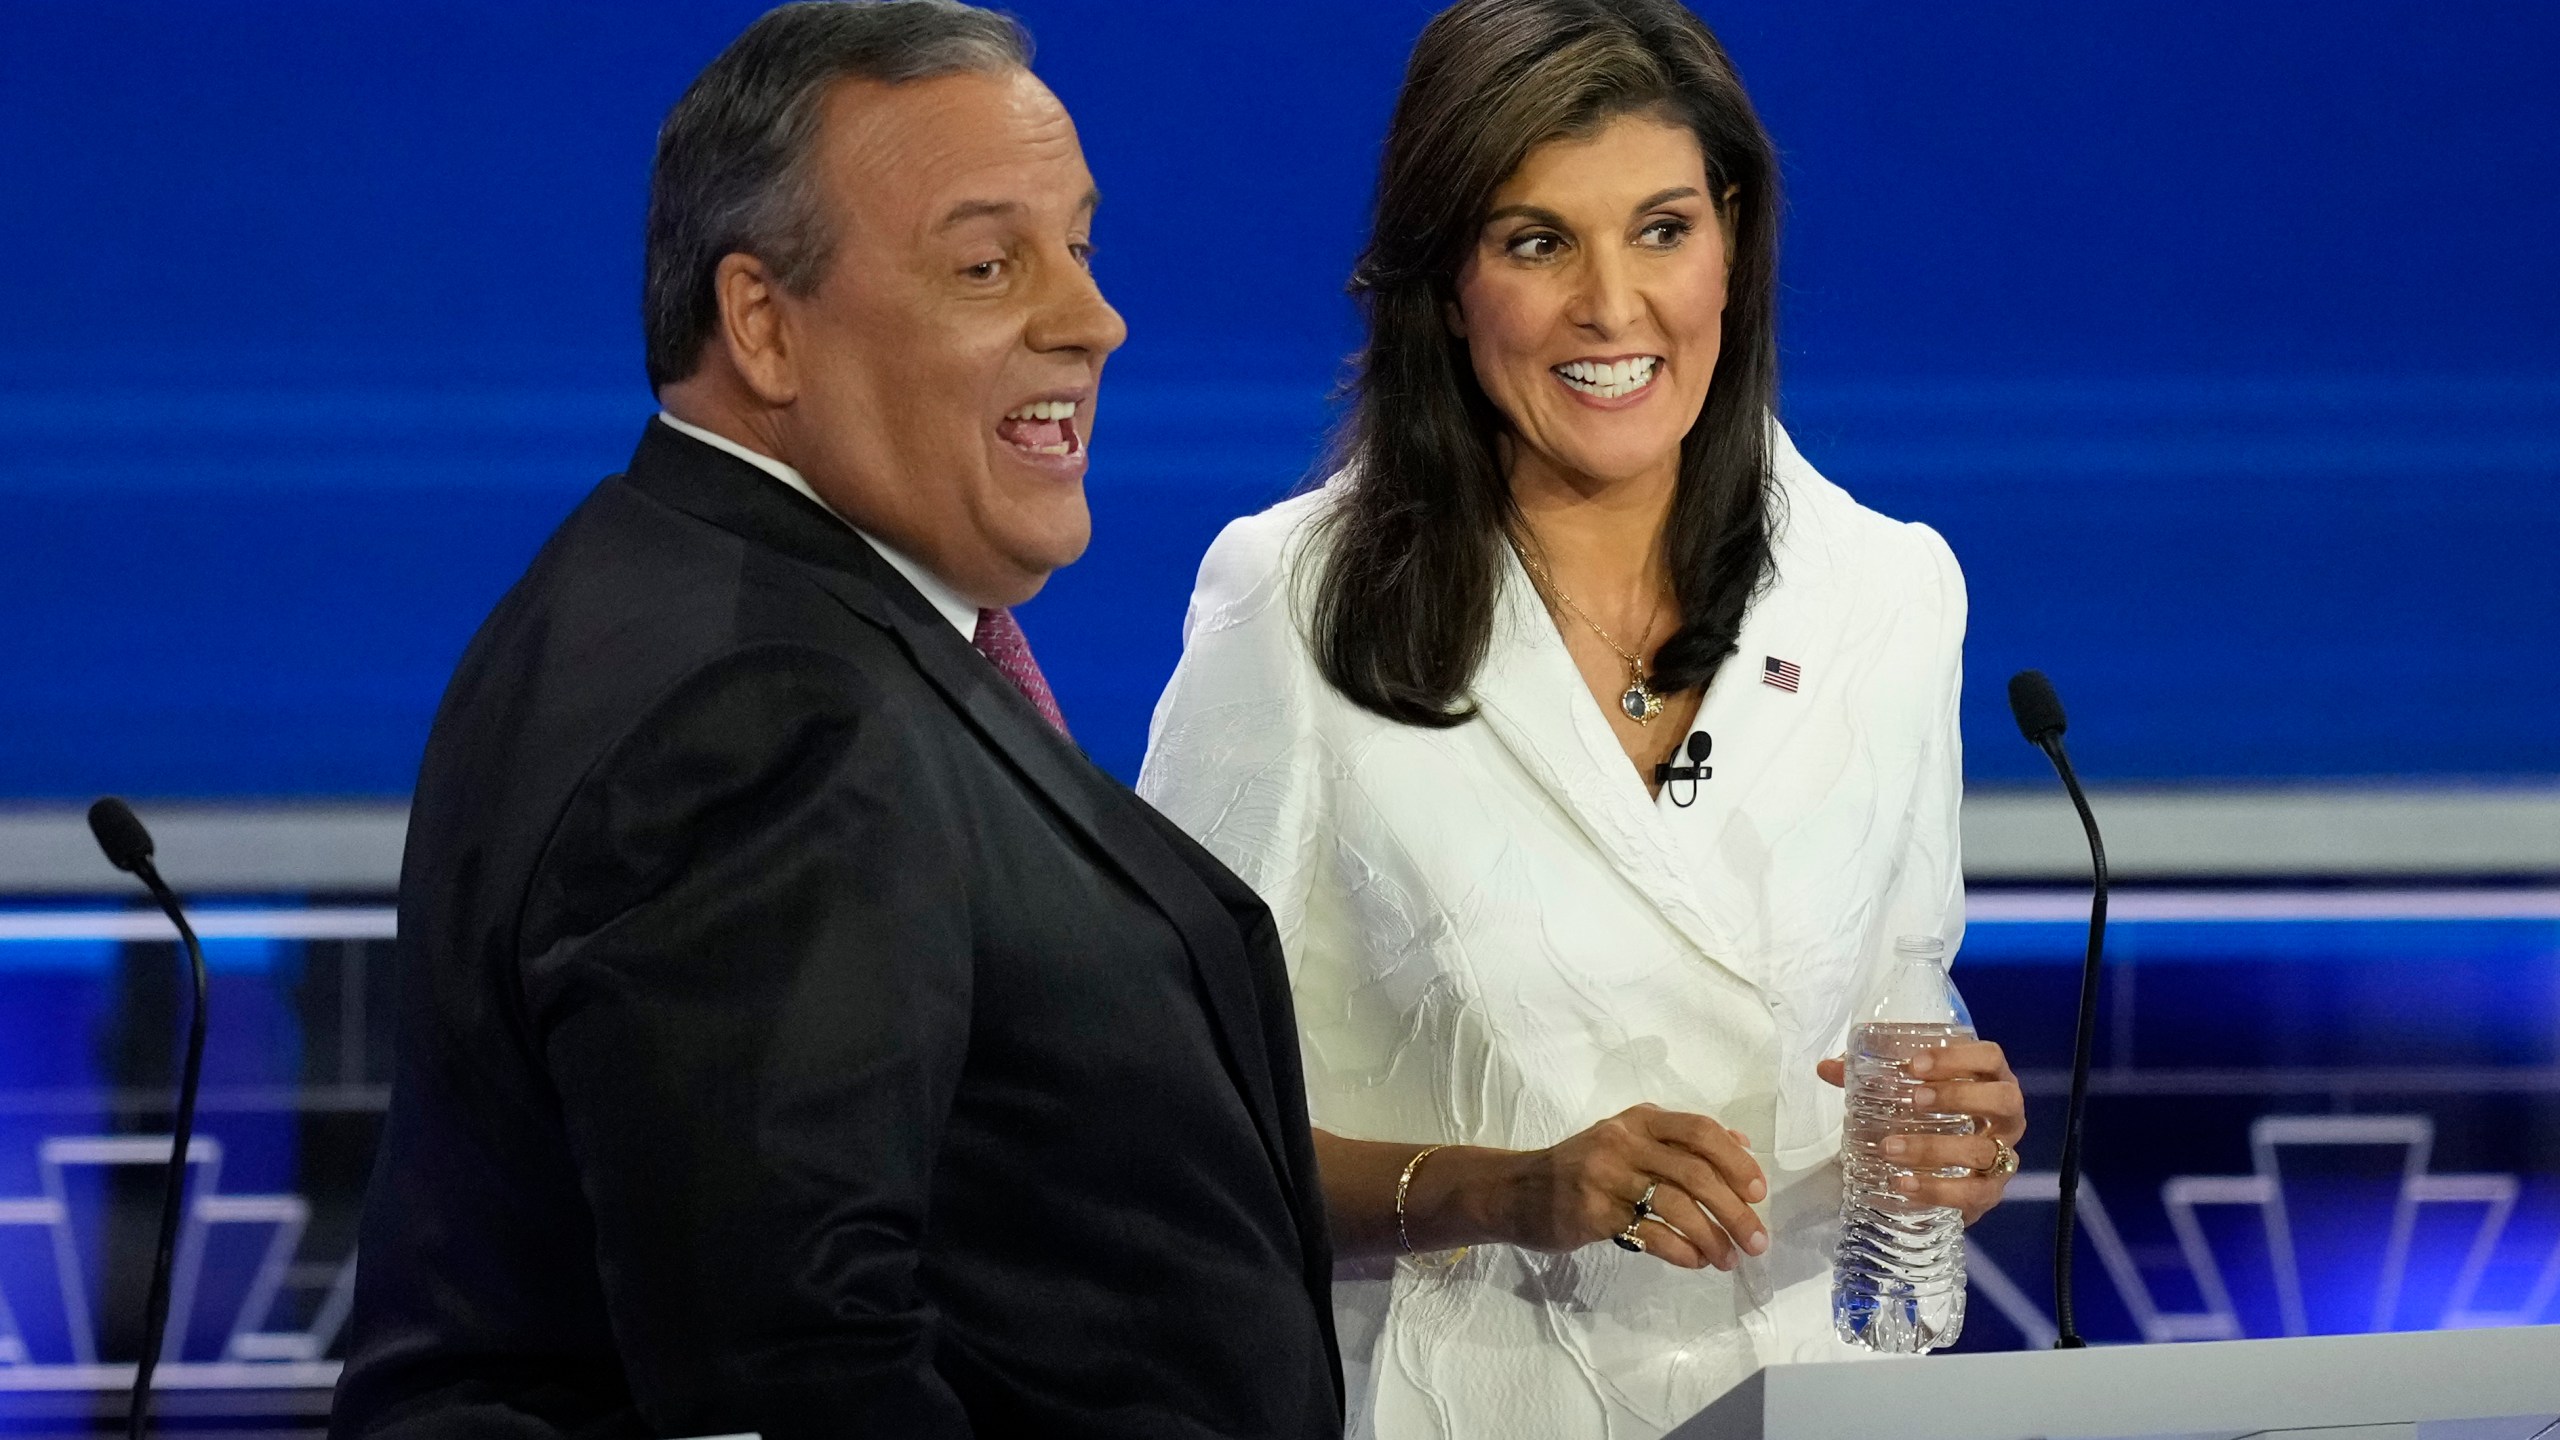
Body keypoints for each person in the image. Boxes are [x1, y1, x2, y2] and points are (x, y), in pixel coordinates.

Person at [331, 5, 1340, 1437]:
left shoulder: (687, 596)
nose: (1092, 318)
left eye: (1082, 246)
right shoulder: (760, 709)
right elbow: (796, 1366)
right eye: (990, 264)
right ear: (763, 324)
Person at [1138, 1, 2025, 1434]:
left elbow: (1900, 1013)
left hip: (1816, 1400)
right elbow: (1158, 1133)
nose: (1614, 308)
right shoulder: (1297, 602)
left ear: (1733, 240)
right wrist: (1503, 1190)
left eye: (1663, 229)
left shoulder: (1891, 593)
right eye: (1538, 242)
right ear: (1445, 284)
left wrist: (1954, 1139)